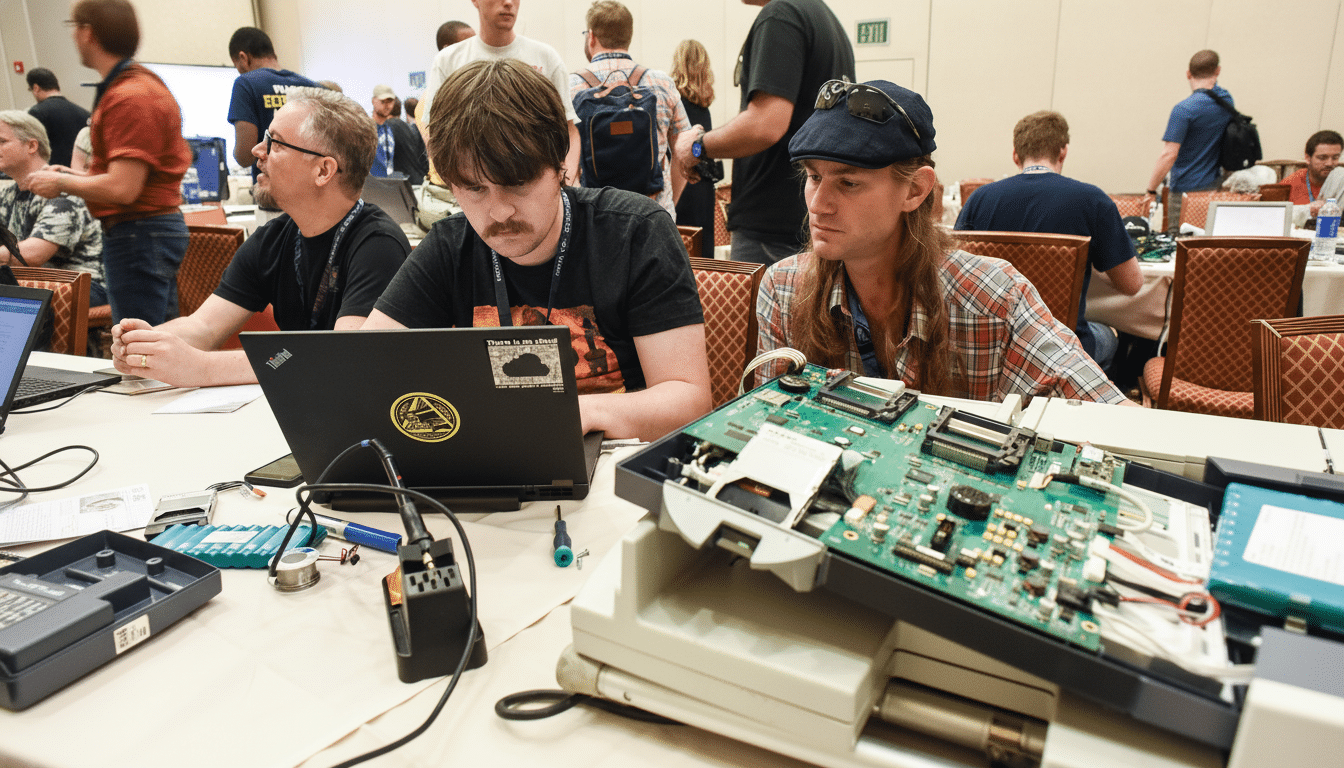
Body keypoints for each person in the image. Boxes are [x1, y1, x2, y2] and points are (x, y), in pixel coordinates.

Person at [364, 59, 711, 441]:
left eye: (517, 183)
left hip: (613, 466)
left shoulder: (635, 232)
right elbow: (366, 368)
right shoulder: (450, 244)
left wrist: (574, 413)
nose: (499, 211)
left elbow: (689, 401)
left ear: (560, 163)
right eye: (474, 189)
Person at [756, 79, 1132, 406]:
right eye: (813, 177)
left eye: (848, 183)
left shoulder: (993, 297)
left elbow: (1105, 413)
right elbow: (765, 424)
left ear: (915, 190)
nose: (818, 206)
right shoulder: (784, 289)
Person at [109, 88, 409, 387]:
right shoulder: (275, 238)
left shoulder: (378, 245)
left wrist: (204, 368)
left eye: (275, 143)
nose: (257, 151)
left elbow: (342, 356)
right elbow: (202, 326)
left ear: (323, 170)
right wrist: (146, 346)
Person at [27, 0, 191, 327]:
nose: (73, 36)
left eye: (73, 28)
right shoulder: (132, 86)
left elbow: (123, 188)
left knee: (139, 347)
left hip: (139, 233)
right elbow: (127, 179)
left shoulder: (129, 95)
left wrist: (61, 183)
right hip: (142, 232)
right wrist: (73, 174)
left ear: (87, 32)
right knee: (153, 343)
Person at [955, 111, 1142, 369]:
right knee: (1111, 336)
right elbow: (1132, 284)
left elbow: (955, 275)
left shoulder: (979, 199)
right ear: (1063, 152)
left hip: (989, 347)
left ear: (1015, 155)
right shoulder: (1092, 200)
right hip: (1062, 349)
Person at [673, 0, 853, 265]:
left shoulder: (780, 15)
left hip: (770, 228)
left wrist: (696, 146)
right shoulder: (825, 20)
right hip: (807, 216)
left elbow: (765, 125)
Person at [419, 0, 581, 186]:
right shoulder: (448, 61)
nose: (508, 3)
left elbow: (568, 128)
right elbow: (435, 133)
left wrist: (564, 180)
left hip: (536, 185)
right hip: (477, 187)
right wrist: (464, 188)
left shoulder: (545, 57)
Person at [570, 1, 689, 217]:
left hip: (595, 219)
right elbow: (684, 152)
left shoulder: (571, 88)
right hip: (654, 215)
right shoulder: (662, 83)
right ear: (629, 36)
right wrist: (668, 200)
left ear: (591, 37)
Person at [0, 111, 106, 306]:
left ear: (32, 145)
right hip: (35, 282)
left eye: (2, 141)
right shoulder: (7, 195)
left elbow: (35, 253)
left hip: (81, 284)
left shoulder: (62, 189)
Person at [1147, 50, 1232, 233]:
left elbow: (1169, 154)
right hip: (1214, 187)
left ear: (1188, 73)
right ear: (1217, 70)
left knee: (1179, 242)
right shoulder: (1226, 101)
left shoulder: (1184, 110)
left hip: (1184, 188)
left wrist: (1151, 190)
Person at [226, 26, 319, 178]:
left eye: (237, 65)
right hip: (312, 186)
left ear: (243, 57)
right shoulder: (313, 87)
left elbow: (245, 156)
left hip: (272, 191)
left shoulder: (246, 84)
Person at [671, 39, 717, 259]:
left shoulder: (674, 102)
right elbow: (700, 150)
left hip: (680, 181)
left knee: (679, 248)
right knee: (703, 252)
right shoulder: (703, 106)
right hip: (703, 187)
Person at [25, 68, 91, 169]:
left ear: (36, 88)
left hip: (53, 174)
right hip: (80, 175)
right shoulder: (85, 113)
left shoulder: (37, 112)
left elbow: (30, 149)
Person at [1280, 129, 1342, 215]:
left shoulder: (1341, 182)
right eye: (1322, 158)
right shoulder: (1290, 183)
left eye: (1335, 158)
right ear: (1308, 158)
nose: (1329, 163)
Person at [369, 84, 398, 178]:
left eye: (390, 101)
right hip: (369, 185)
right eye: (382, 101)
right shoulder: (365, 129)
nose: (387, 106)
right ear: (373, 101)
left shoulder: (388, 129)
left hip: (386, 183)